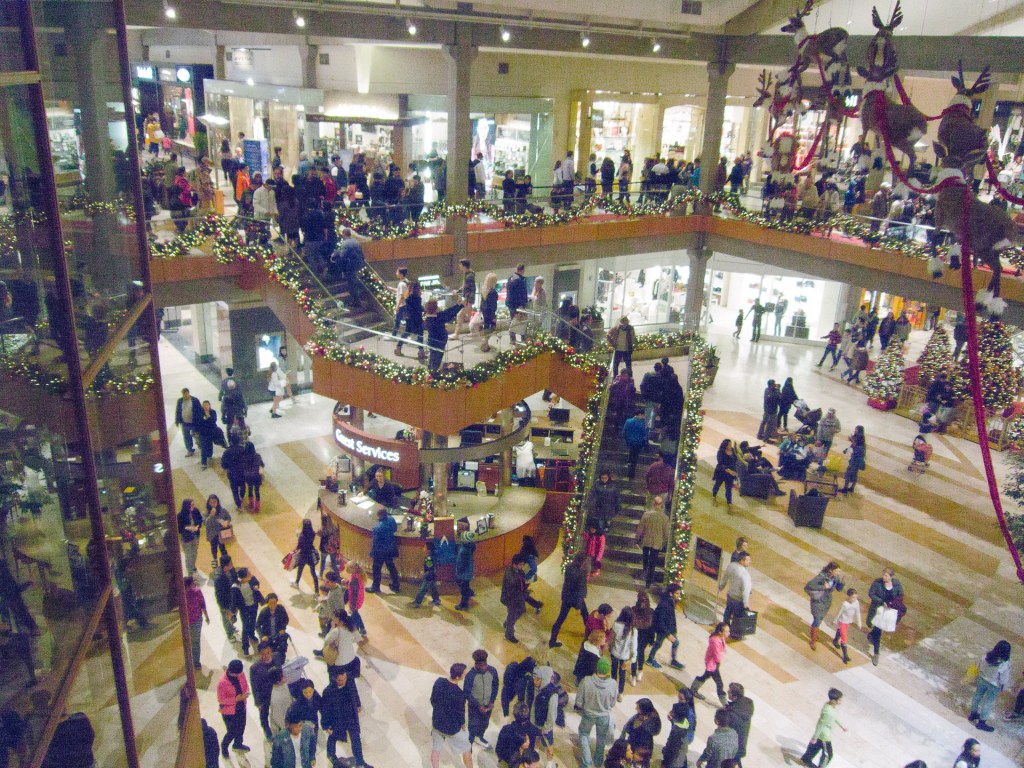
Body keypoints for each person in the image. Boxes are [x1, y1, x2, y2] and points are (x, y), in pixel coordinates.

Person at [321, 667, 372, 767]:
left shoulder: (349, 681)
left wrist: (357, 703)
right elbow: (325, 710)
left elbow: (354, 692)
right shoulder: (328, 692)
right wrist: (326, 726)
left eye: (345, 678)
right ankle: (331, 754)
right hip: (337, 718)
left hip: (350, 716)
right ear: (335, 679)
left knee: (356, 739)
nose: (343, 681)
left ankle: (360, 762)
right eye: (340, 680)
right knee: (333, 736)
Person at [575, 656, 617, 768]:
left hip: (588, 714)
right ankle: (598, 761)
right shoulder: (613, 684)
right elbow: (613, 704)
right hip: (604, 716)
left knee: (584, 734)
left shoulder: (586, 681)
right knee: (601, 737)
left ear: (597, 668)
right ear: (608, 670)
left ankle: (587, 763)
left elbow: (578, 702)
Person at [430, 663, 475, 768]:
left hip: (437, 723)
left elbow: (433, 700)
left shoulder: (439, 682)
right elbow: (460, 714)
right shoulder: (460, 694)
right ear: (458, 677)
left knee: (436, 749)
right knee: (466, 748)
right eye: (464, 673)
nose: (465, 674)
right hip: (452, 729)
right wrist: (463, 725)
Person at [969, 640, 1012, 732]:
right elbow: (1004, 679)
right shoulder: (1005, 664)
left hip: (982, 679)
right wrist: (1002, 687)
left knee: (977, 696)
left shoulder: (987, 656)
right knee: (988, 702)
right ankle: (981, 722)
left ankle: (973, 714)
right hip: (994, 685)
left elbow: (979, 666)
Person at [799, 688, 847, 768]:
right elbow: (821, 725)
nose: (841, 701)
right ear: (833, 701)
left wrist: (842, 726)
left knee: (814, 747)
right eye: (839, 700)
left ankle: (805, 760)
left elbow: (834, 716)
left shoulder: (828, 705)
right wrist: (815, 737)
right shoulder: (828, 712)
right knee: (828, 755)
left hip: (820, 735)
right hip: (824, 736)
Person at [866, 567, 905, 666]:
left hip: (890, 611)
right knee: (878, 631)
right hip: (878, 610)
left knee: (881, 628)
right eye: (883, 574)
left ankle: (872, 634)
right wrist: (881, 601)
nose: (884, 577)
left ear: (891, 576)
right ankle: (876, 653)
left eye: (886, 575)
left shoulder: (896, 583)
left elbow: (900, 595)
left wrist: (893, 603)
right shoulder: (877, 583)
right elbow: (871, 594)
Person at [804, 561, 845, 651]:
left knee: (820, 619)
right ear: (830, 570)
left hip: (827, 602)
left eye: (839, 571)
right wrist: (823, 587)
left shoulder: (835, 577)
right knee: (817, 620)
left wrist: (842, 583)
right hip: (818, 602)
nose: (838, 573)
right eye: (837, 571)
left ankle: (814, 634)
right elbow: (809, 585)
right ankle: (813, 640)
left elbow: (839, 589)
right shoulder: (821, 577)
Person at [465, 649, 499, 748]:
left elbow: (495, 686)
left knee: (484, 723)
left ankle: (480, 736)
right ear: (476, 664)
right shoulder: (470, 676)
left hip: (488, 705)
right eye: (481, 666)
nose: (484, 668)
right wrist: (478, 706)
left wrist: (492, 701)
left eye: (485, 665)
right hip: (474, 707)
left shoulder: (492, 671)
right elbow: (467, 694)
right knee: (473, 725)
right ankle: (470, 741)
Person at [690, 622, 730, 707]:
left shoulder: (720, 637)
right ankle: (725, 705)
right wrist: (720, 657)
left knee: (705, 676)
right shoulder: (715, 641)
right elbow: (717, 656)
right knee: (719, 684)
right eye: (726, 631)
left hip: (713, 664)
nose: (728, 633)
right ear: (720, 632)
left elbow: (723, 645)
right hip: (712, 665)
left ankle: (693, 689)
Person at [217, 659, 251, 758]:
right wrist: (235, 699)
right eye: (237, 674)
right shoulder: (222, 683)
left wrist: (246, 692)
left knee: (241, 727)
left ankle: (238, 744)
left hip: (241, 707)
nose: (238, 675)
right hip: (229, 712)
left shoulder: (240, 674)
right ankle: (224, 746)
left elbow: (245, 685)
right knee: (232, 731)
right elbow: (221, 700)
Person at [636, 496, 670, 589]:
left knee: (645, 559)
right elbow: (666, 533)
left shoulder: (647, 514)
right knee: (653, 563)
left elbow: (640, 528)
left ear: (653, 503)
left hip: (647, 541)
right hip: (657, 543)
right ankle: (649, 581)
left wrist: (637, 538)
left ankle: (644, 572)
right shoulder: (665, 518)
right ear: (661, 505)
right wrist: (664, 542)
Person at [647, 583, 683, 670]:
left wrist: (673, 629)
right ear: (671, 593)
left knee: (676, 642)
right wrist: (668, 634)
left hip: (670, 628)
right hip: (663, 629)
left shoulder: (671, 600)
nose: (679, 595)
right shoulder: (664, 604)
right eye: (677, 593)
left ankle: (673, 660)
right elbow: (660, 621)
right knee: (658, 644)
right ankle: (650, 659)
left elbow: (671, 616)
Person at [424, 297, 466, 370]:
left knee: (433, 355)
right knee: (438, 356)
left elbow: (446, 312)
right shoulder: (438, 318)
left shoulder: (429, 317)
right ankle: (434, 371)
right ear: (435, 308)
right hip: (440, 341)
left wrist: (457, 305)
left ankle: (431, 368)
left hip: (432, 341)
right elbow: (450, 314)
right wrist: (460, 306)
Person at [496, 702, 543, 767]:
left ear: (514, 714)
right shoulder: (533, 730)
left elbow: (498, 750)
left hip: (506, 763)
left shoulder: (505, 729)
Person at [530, 666, 559, 764]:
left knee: (548, 744)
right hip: (536, 722)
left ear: (544, 679)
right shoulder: (537, 688)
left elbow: (552, 714)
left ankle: (549, 762)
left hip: (545, 726)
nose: (535, 682)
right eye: (534, 679)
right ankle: (535, 752)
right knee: (536, 738)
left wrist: (547, 727)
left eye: (537, 680)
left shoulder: (552, 694)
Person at [367, 508, 400, 594]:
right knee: (391, 567)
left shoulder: (378, 528)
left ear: (380, 516)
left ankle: (375, 587)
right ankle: (396, 585)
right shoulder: (391, 519)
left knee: (377, 569)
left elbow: (375, 543)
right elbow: (395, 529)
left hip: (380, 551)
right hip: (391, 548)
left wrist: (372, 554)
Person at [620, 698, 662, 767]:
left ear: (644, 709)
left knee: (642, 762)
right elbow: (628, 726)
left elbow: (655, 731)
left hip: (643, 746)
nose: (636, 708)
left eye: (638, 707)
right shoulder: (640, 715)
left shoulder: (652, 719)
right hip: (634, 742)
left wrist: (640, 725)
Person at [720, 553, 752, 638]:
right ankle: (734, 634)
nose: (750, 562)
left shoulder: (731, 566)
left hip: (730, 595)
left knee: (727, 612)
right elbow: (746, 591)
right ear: (742, 560)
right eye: (748, 560)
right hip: (738, 600)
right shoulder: (745, 575)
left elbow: (725, 577)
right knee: (737, 618)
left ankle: (724, 629)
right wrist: (746, 604)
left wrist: (722, 586)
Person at [231, 568, 263, 656]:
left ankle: (252, 635)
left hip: (253, 605)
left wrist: (256, 585)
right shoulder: (236, 587)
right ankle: (245, 647)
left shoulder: (251, 579)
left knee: (253, 622)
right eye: (248, 573)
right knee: (245, 627)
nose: (251, 574)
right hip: (244, 609)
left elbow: (256, 581)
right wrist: (233, 612)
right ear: (244, 577)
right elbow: (234, 601)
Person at [250, 641, 277, 739]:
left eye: (268, 653)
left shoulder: (276, 658)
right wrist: (258, 702)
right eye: (263, 654)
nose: (266, 656)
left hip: (276, 691)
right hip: (264, 695)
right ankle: (266, 729)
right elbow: (254, 686)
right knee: (264, 713)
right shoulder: (255, 668)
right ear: (259, 654)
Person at [722, 683, 753, 768]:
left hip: (732, 750)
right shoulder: (748, 702)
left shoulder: (731, 714)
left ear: (734, 696)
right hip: (741, 746)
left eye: (730, 691)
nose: (727, 691)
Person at [610, 607, 638, 699]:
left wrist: (609, 648)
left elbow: (611, 639)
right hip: (625, 657)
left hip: (614, 653)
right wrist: (632, 659)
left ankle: (612, 691)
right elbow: (634, 646)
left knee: (613, 672)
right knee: (622, 674)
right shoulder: (634, 630)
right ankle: (620, 693)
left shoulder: (616, 625)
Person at [662, 693, 697, 768]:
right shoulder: (681, 711)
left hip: (680, 743)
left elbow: (689, 731)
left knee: (677, 758)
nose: (679, 700)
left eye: (681, 698)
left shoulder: (688, 715)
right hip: (677, 742)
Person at [501, 554, 530, 643]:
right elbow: (512, 591)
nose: (522, 566)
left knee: (521, 611)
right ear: (514, 564)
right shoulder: (511, 577)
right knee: (512, 615)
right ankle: (509, 635)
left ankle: (508, 623)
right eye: (521, 564)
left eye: (523, 564)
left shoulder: (518, 571)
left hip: (518, 597)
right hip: (512, 600)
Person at [183, 576, 209, 670]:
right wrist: (206, 617)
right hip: (196, 620)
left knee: (187, 641)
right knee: (195, 641)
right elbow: (202, 604)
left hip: (184, 622)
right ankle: (196, 662)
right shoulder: (196, 591)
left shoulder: (181, 594)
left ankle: (189, 660)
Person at [831, 587, 862, 664]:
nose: (854, 599)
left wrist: (859, 623)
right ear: (849, 596)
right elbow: (839, 612)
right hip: (843, 622)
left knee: (840, 632)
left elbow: (858, 612)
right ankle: (845, 656)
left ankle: (835, 640)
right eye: (853, 597)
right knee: (844, 638)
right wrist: (835, 620)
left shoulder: (856, 602)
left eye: (856, 597)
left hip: (848, 621)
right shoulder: (845, 604)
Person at [255, 593, 289, 661]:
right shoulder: (264, 612)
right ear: (267, 603)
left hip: (278, 634)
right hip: (267, 636)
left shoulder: (281, 609)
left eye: (274, 603)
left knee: (282, 647)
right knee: (268, 652)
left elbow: (286, 619)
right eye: (270, 603)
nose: (273, 605)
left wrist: (283, 628)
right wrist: (262, 636)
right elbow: (257, 625)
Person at [213, 555, 238, 640]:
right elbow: (219, 594)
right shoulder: (219, 578)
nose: (232, 564)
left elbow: (235, 578)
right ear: (226, 566)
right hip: (225, 602)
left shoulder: (230, 570)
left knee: (232, 615)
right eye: (230, 563)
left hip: (232, 598)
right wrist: (224, 607)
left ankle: (231, 627)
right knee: (226, 618)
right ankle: (230, 634)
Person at [177, 499, 203, 576]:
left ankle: (192, 566)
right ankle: (190, 573)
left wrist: (197, 526)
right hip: (186, 538)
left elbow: (200, 520)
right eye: (191, 505)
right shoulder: (180, 515)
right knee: (188, 555)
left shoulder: (196, 511)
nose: (193, 506)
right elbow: (180, 528)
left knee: (194, 553)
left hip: (195, 535)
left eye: (193, 505)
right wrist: (188, 528)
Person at [293, 519, 319, 593]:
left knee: (300, 570)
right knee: (313, 573)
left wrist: (296, 551)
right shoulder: (313, 533)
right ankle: (317, 590)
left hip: (303, 555)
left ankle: (297, 582)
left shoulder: (302, 536)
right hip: (310, 554)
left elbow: (299, 546)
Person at [412, 539, 441, 608]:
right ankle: (436, 600)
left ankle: (417, 602)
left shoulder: (428, 558)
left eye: (425, 547)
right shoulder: (433, 556)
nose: (423, 548)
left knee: (423, 589)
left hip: (429, 576)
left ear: (429, 549)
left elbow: (430, 569)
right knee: (433, 588)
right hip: (433, 576)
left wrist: (424, 574)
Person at [204, 495, 232, 566]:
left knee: (222, 547)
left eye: (215, 502)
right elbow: (205, 523)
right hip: (212, 533)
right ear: (208, 503)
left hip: (221, 532)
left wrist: (227, 522)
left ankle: (225, 560)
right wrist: (211, 515)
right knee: (213, 547)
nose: (213, 504)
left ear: (218, 502)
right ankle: (214, 559)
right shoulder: (206, 513)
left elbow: (228, 517)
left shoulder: (222, 510)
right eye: (211, 502)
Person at [174, 388, 202, 456]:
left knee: (196, 435)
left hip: (194, 422)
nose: (185, 396)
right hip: (185, 423)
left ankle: (201, 445)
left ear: (188, 393)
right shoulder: (180, 401)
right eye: (183, 394)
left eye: (186, 394)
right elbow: (178, 411)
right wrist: (177, 420)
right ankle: (190, 449)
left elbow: (199, 411)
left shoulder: (195, 400)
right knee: (186, 436)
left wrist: (200, 421)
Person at [623, 408, 650, 479]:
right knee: (635, 458)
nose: (643, 417)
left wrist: (627, 440)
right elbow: (644, 433)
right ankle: (631, 473)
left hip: (630, 442)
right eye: (643, 415)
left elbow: (624, 432)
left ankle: (629, 467)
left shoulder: (628, 421)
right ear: (640, 415)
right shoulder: (642, 423)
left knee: (631, 455)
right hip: (638, 443)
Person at [454, 530, 477, 611]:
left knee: (463, 589)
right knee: (465, 585)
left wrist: (458, 571)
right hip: (468, 571)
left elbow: (461, 563)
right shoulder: (470, 547)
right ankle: (470, 592)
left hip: (463, 574)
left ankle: (463, 605)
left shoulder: (463, 551)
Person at [712, 440, 738, 508]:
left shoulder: (732, 451)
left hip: (729, 475)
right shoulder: (720, 452)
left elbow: (735, 461)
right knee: (717, 485)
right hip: (721, 472)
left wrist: (735, 471)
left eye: (731, 444)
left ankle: (729, 503)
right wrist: (728, 470)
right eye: (729, 445)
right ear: (725, 445)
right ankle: (714, 497)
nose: (730, 446)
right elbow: (720, 464)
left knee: (728, 489)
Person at [840, 426, 866, 494]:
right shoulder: (862, 440)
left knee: (848, 473)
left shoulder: (858, 438)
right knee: (855, 474)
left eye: (856, 430)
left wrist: (852, 440)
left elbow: (854, 446)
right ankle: (852, 488)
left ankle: (845, 488)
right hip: (859, 460)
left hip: (855, 460)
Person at [243, 443, 265, 512]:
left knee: (250, 490)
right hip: (257, 477)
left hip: (248, 476)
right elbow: (262, 465)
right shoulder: (257, 456)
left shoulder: (244, 457)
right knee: (257, 491)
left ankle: (251, 504)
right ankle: (257, 508)